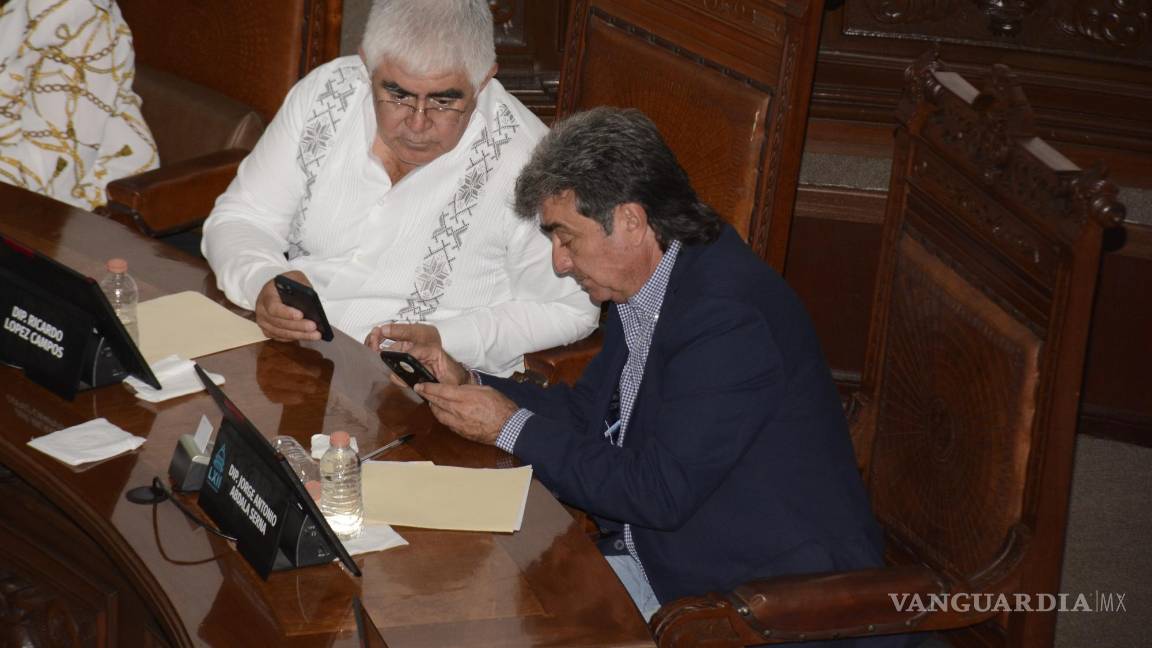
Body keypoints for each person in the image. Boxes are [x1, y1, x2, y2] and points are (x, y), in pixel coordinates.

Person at [389, 107, 896, 637]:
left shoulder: (727, 320)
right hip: (661, 561)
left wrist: (508, 426)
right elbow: (589, 415)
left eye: (567, 238)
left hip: (756, 604)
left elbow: (657, 492)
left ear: (630, 221)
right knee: (442, 602)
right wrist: (468, 381)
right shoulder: (654, 278)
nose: (560, 263)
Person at [201, 0, 597, 376]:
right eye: (397, 95)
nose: (417, 123)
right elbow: (241, 218)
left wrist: (447, 340)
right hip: (284, 358)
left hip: (413, 390)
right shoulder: (326, 94)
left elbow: (570, 310)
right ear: (366, 65)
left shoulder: (530, 164)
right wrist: (262, 281)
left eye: (443, 101)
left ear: (483, 79)